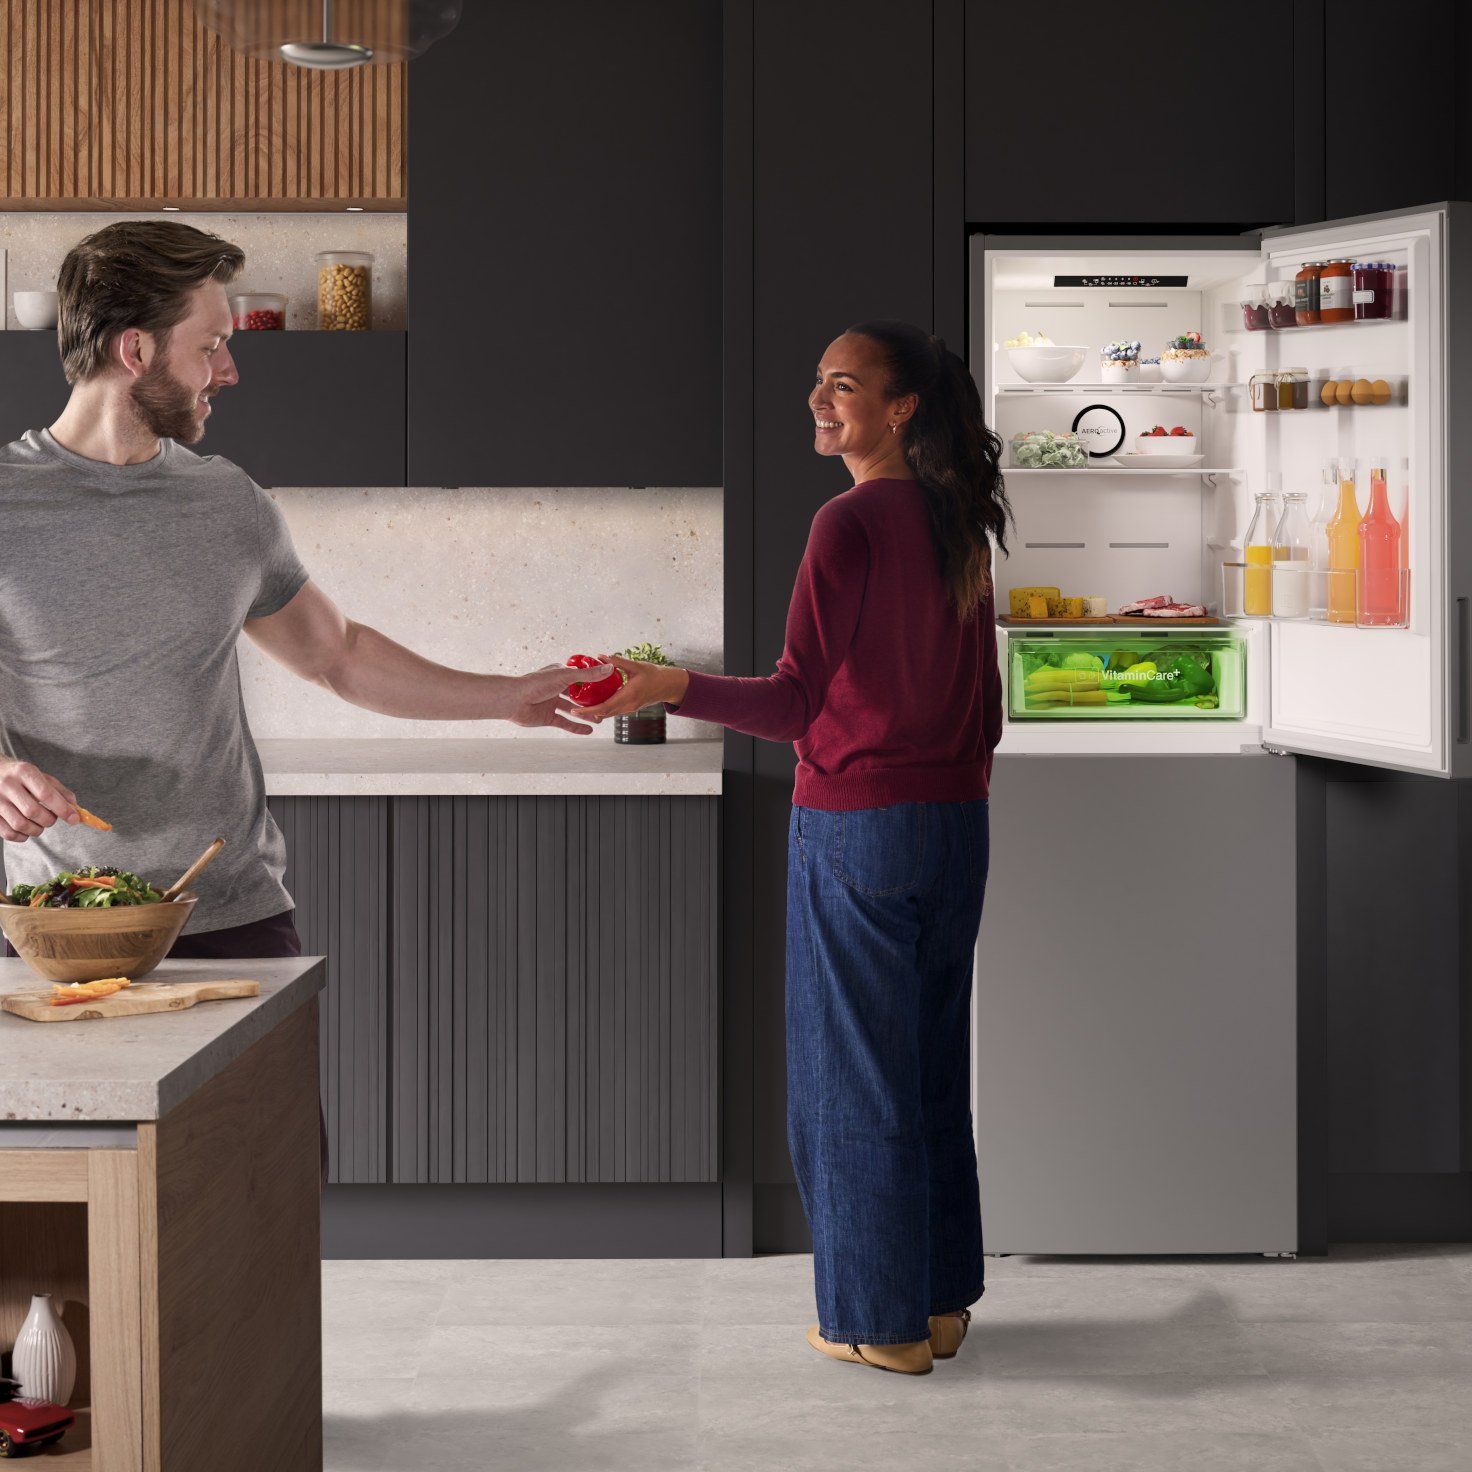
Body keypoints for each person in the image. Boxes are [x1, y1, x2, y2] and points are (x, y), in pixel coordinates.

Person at [0, 220, 608, 1174]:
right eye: (211, 344)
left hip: (230, 918)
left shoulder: (225, 502)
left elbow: (340, 656)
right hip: (52, 932)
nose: (228, 371)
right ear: (135, 351)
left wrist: (507, 697)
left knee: (267, 1205)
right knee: (64, 1221)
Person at [581, 319, 1011, 1375]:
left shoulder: (847, 523)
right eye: (816, 383)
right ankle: (940, 1301)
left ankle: (877, 1319)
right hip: (956, 825)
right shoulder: (956, 518)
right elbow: (987, 708)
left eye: (843, 385)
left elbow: (789, 700)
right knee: (926, 1070)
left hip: (856, 827)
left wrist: (666, 683)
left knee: (849, 1079)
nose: (819, 402)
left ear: (899, 407)